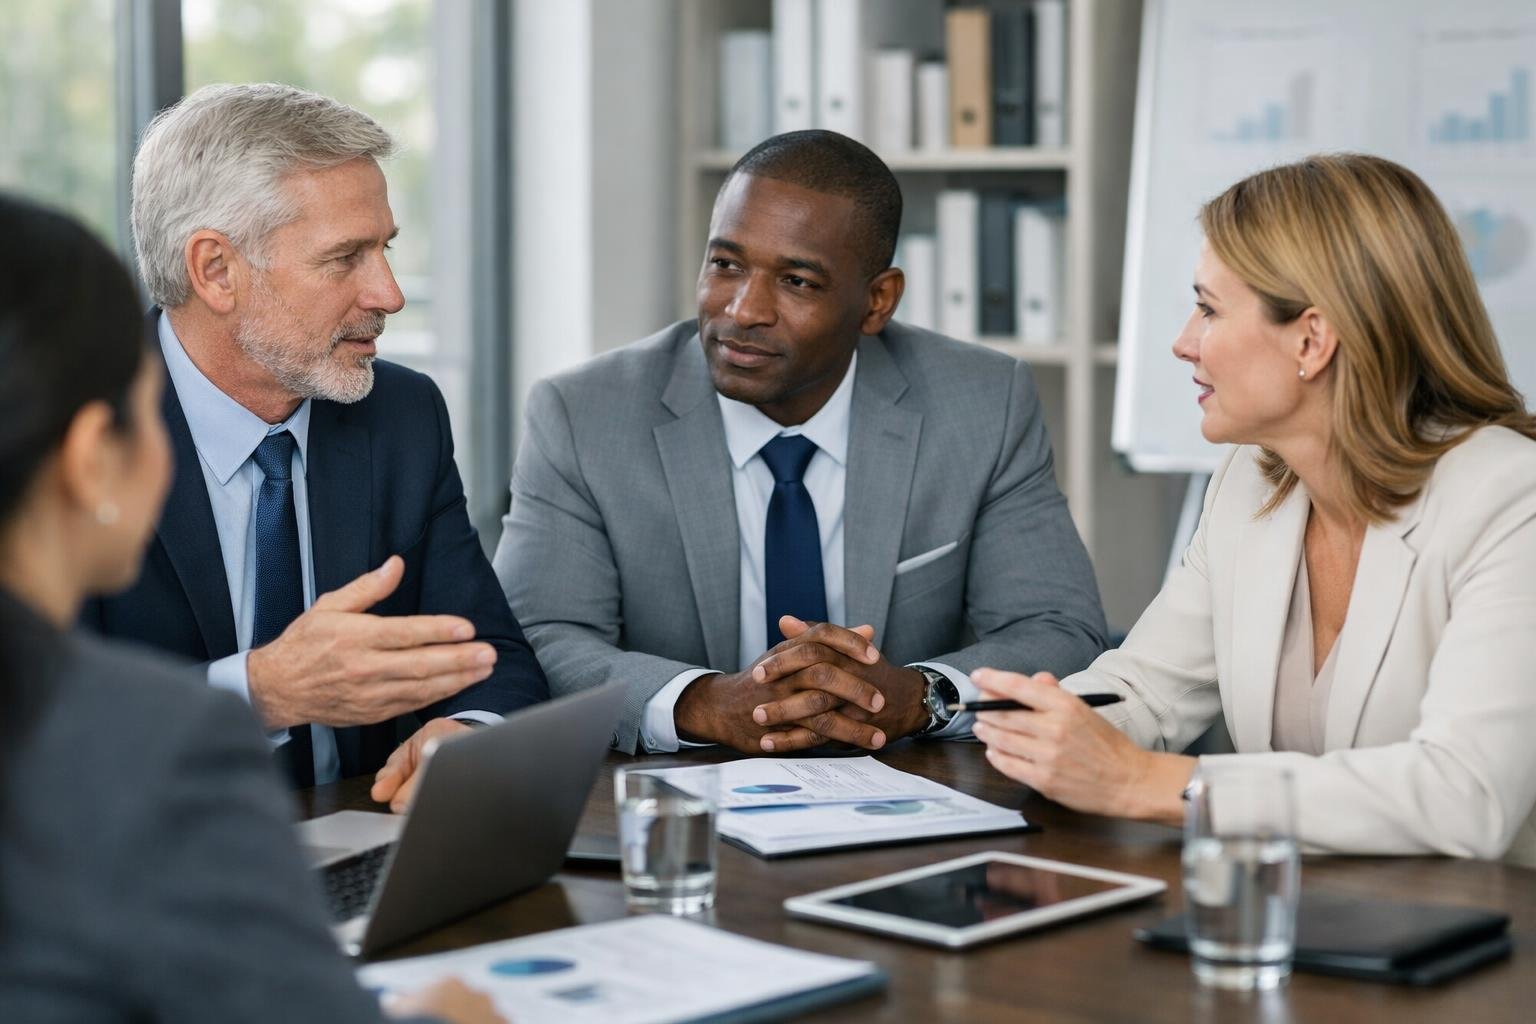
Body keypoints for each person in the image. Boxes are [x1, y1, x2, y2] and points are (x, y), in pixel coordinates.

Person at [0, 194, 503, 1022]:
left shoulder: (400, 415)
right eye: (146, 408)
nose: (388, 293)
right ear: (91, 459)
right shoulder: (150, 738)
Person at [971, 154, 1536, 866]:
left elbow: (1465, 797)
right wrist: (1003, 719)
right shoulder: (1252, 482)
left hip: (1485, 923)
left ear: (1311, 340)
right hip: (1293, 909)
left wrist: (1146, 783)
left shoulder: (1511, 498)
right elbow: (1143, 691)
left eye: (1209, 309)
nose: (1183, 342)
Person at [495, 130, 1107, 755]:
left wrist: (917, 696)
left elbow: (1058, 627)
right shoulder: (584, 414)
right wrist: (700, 703)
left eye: (797, 281)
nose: (743, 310)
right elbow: (539, 635)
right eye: (726, 265)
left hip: (908, 785)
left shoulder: (983, 403)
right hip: (675, 792)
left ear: (877, 301)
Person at [83, 83, 548, 804]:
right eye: (344, 258)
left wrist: (468, 732)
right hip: (139, 849)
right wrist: (262, 692)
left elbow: (489, 657)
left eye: (385, 249)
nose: (390, 294)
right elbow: (36, 721)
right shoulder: (66, 432)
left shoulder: (402, 414)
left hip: (364, 830)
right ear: (216, 271)